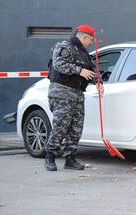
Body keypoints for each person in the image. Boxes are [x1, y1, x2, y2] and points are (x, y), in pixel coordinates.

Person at [44, 24, 104, 171]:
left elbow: (91, 71)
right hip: (62, 93)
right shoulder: (65, 46)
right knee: (60, 127)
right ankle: (50, 157)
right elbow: (58, 64)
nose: (91, 43)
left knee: (76, 129)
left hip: (77, 95)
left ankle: (70, 158)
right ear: (84, 37)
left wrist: (98, 81)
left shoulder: (84, 54)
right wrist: (79, 70)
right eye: (91, 40)